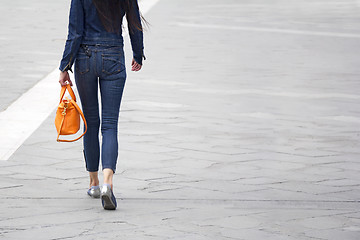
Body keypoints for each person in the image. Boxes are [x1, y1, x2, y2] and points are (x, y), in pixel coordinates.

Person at [58, 0, 146, 210]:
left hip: (85, 58)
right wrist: (137, 54)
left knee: (90, 122)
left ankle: (94, 183)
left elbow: (75, 32)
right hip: (113, 56)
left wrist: (65, 66)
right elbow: (135, 25)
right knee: (109, 125)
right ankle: (108, 182)